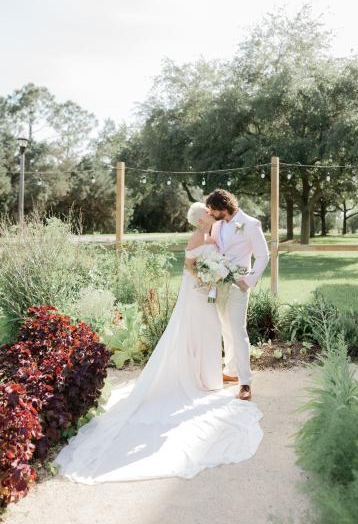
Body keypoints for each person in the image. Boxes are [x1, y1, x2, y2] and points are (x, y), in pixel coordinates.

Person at [52, 202, 263, 483]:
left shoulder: (222, 230)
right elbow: (189, 265)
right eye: (207, 213)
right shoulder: (200, 236)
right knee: (205, 330)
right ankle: (204, 376)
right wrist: (204, 276)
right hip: (199, 291)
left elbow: (233, 255)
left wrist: (216, 274)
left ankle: (216, 375)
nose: (210, 215)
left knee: (217, 332)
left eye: (212, 211)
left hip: (213, 291)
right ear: (200, 218)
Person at [206, 189, 270, 401]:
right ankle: (231, 371)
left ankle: (245, 382)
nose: (210, 214)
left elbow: (263, 256)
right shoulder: (217, 225)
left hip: (238, 285)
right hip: (219, 284)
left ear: (223, 209)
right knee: (225, 329)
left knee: (238, 331)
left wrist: (249, 280)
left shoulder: (251, 224)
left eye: (213, 210)